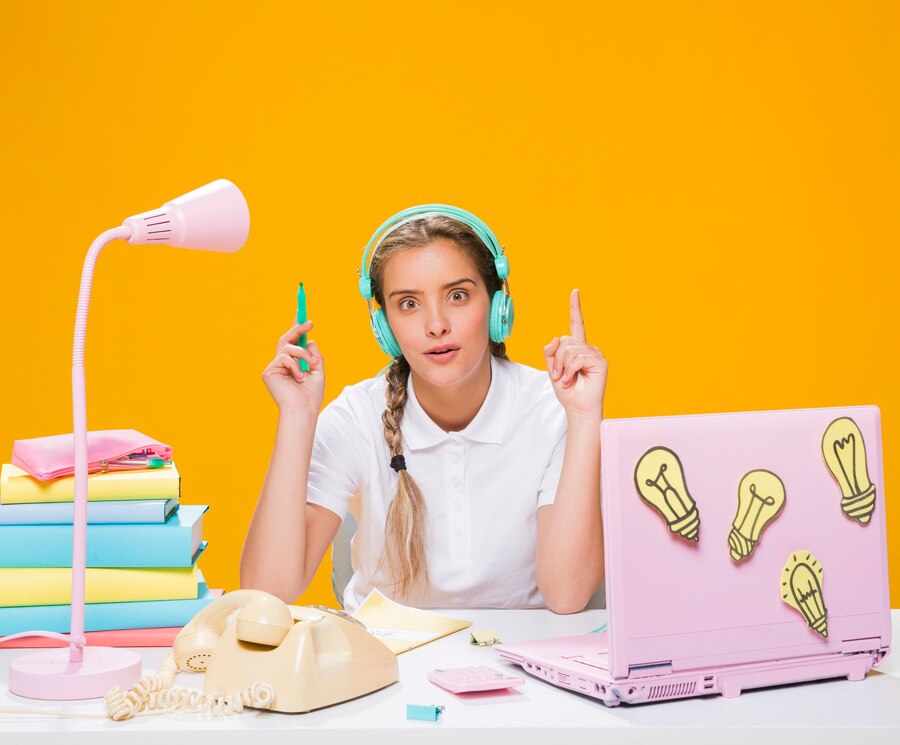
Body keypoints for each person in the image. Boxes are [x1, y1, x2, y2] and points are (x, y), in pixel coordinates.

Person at [240, 205, 606, 613]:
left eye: (458, 295)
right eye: (409, 304)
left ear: (498, 307)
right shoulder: (356, 417)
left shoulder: (552, 409)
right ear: (385, 328)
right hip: (386, 662)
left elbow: (568, 595)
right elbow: (268, 589)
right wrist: (297, 415)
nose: (436, 325)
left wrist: (585, 417)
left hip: (522, 659)